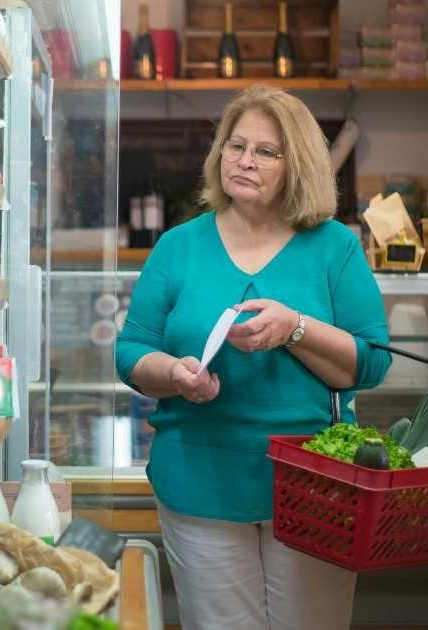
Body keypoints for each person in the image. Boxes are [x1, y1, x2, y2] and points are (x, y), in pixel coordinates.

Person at [115, 85, 391, 630]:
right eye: (235, 145)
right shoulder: (178, 246)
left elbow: (370, 362)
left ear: (299, 166)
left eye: (266, 151)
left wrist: (296, 329)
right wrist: (173, 373)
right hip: (200, 481)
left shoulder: (335, 247)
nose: (243, 160)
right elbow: (130, 351)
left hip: (314, 487)